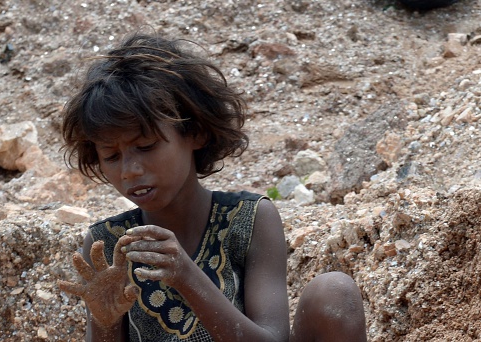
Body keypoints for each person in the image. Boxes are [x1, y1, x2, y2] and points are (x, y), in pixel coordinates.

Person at [57, 33, 367, 342]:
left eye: (146, 146)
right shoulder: (109, 246)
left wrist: (187, 277)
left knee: (334, 293)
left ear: (196, 133)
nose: (129, 170)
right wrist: (105, 320)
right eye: (111, 156)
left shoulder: (249, 220)